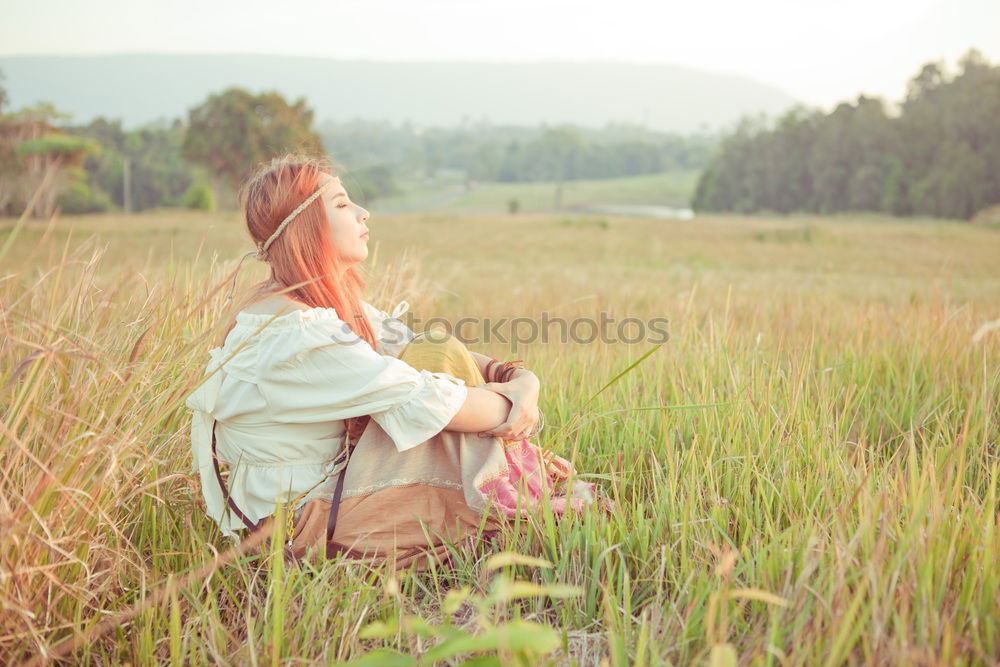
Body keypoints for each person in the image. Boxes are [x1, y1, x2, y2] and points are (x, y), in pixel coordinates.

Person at [186, 154, 595, 569]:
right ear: (307, 227)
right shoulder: (298, 335)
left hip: (319, 498)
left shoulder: (302, 305)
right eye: (343, 204)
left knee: (434, 350)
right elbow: (434, 402)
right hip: (302, 525)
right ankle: (512, 488)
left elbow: (417, 345)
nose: (365, 214)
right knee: (446, 402)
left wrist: (523, 381)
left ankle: (510, 483)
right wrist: (515, 407)